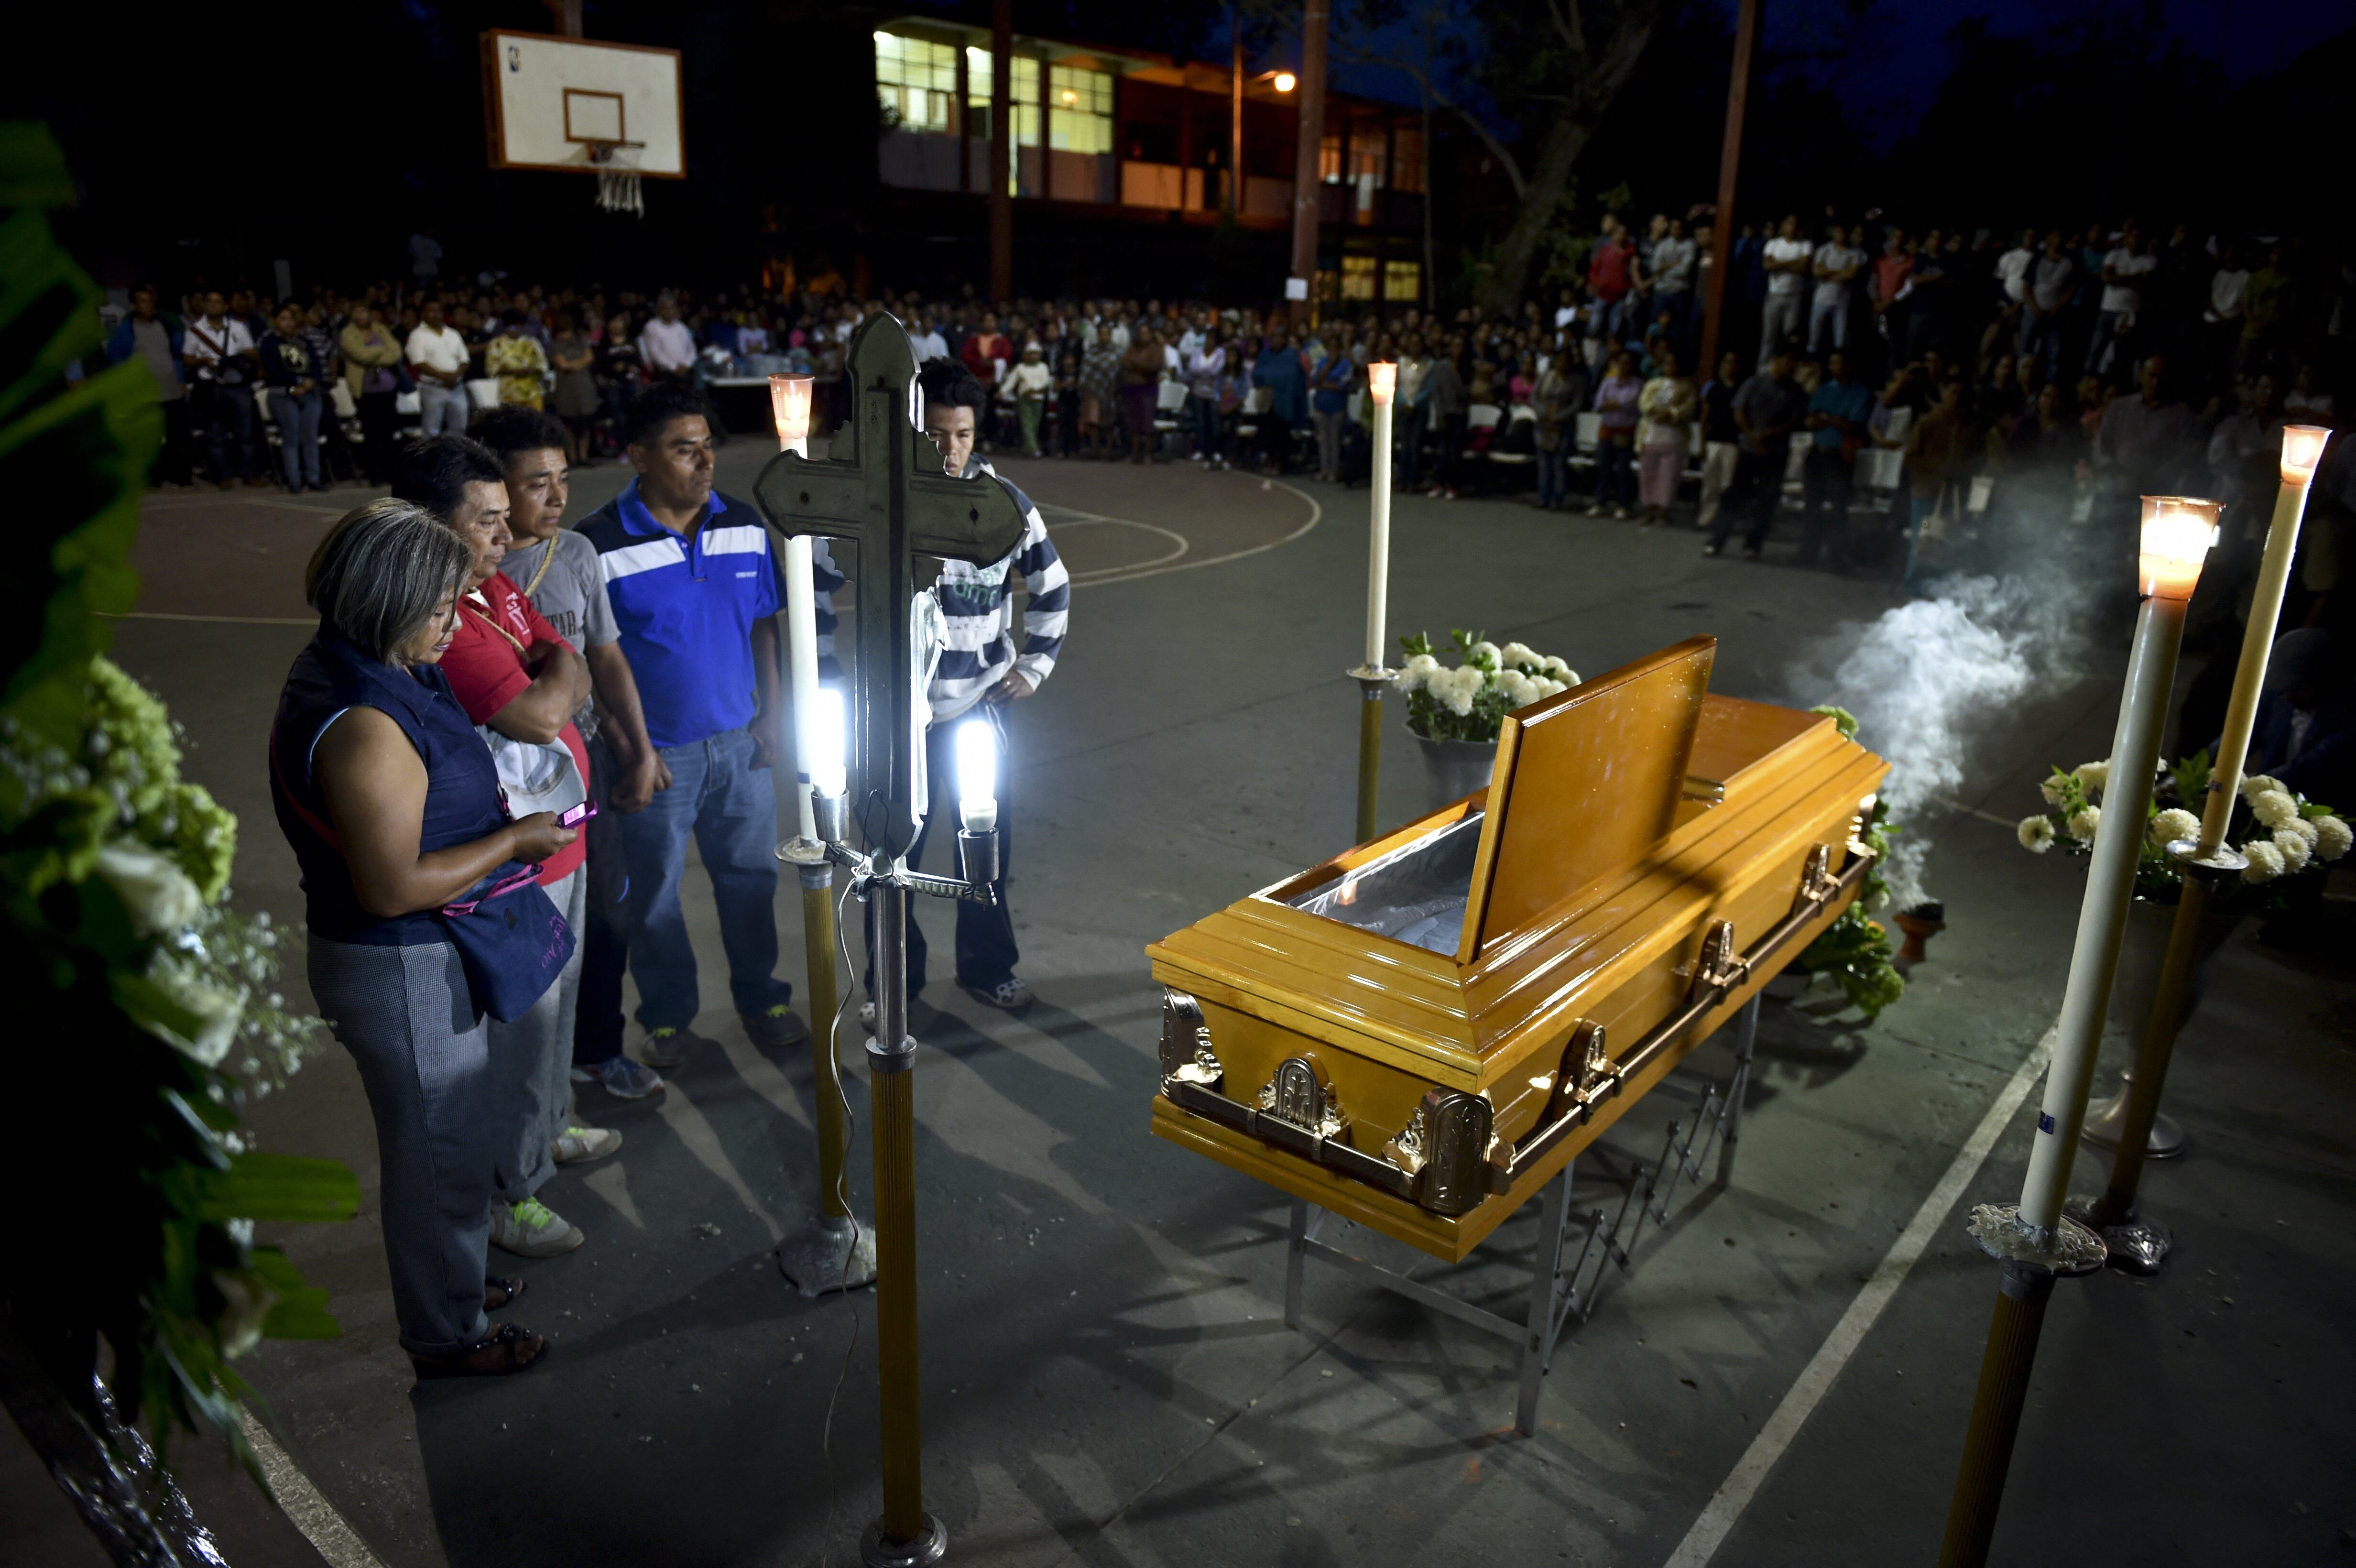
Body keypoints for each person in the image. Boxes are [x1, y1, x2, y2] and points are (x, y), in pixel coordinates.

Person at [270, 498, 570, 1378]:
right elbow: (391, 883)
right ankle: (448, 1335)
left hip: (423, 952)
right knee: (436, 1156)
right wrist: (516, 841)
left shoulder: (381, 662)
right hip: (396, 962)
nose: (455, 621)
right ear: (387, 600)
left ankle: (455, 1281)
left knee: (448, 1142)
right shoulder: (363, 719)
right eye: (442, 607)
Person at [389, 435, 609, 1257]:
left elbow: (568, 658)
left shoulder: (496, 592)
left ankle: (551, 1128)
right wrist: (554, 669)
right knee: (525, 1021)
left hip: (560, 832)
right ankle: (514, 1191)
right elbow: (544, 712)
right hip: (517, 852)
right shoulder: (447, 623)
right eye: (485, 520)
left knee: (560, 1004)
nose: (506, 531)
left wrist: (554, 664)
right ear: (432, 527)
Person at [574, 382, 810, 1068]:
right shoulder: (599, 545)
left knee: (751, 883)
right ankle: (670, 1015)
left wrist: (772, 715)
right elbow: (590, 664)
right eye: (685, 450)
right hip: (659, 760)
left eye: (708, 448)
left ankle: (763, 996)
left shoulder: (742, 524)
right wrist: (633, 751)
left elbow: (765, 625)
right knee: (654, 901)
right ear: (639, 456)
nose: (704, 463)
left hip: (741, 748)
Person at [470, 407, 671, 1108]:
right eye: (537, 484)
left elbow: (604, 658)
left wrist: (638, 748)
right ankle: (517, 1094)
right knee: (520, 931)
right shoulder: (467, 575)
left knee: (607, 916)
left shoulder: (577, 555)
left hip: (581, 767)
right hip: (501, 786)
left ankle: (595, 1054)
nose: (559, 498)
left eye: (563, 479)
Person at [861, 358, 1069, 1018]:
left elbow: (1054, 585)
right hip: (903, 720)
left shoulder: (1003, 503)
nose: (950, 450)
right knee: (892, 859)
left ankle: (987, 966)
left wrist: (1033, 667)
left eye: (962, 435)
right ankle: (894, 982)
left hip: (980, 708)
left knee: (986, 852)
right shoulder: (887, 500)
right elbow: (822, 586)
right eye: (936, 436)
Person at [1710, 342, 1806, 558]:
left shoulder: (1795, 391)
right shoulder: (1755, 383)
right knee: (1734, 496)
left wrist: (1768, 435)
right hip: (1749, 449)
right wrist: (1753, 435)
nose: (1792, 366)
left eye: (1795, 362)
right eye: (1789, 360)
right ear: (1776, 360)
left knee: (1767, 498)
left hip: (1776, 452)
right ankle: (1717, 540)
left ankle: (1753, 544)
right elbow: (1739, 411)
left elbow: (1794, 420)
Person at [105, 284, 190, 486]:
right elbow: (117, 361)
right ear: (134, 305)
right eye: (142, 301)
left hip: (171, 389)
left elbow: (178, 355)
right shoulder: (125, 331)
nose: (148, 305)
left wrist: (180, 380)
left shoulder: (166, 326)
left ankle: (180, 475)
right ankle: (154, 478)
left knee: (177, 436)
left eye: (150, 301)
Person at [1799, 349, 1874, 567]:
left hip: (1839, 456)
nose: (1834, 368)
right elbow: (1810, 421)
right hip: (1817, 452)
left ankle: (1836, 556)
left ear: (1849, 366)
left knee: (1838, 509)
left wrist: (1827, 418)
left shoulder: (1860, 393)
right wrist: (1835, 420)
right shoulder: (1824, 390)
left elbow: (1853, 425)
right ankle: (1808, 553)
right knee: (1812, 505)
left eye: (1839, 363)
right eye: (1831, 363)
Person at [183, 289, 258, 487]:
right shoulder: (195, 330)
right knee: (215, 434)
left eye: (218, 302)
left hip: (238, 385)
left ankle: (249, 474)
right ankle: (223, 477)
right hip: (212, 386)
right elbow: (188, 359)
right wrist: (204, 361)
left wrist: (236, 357)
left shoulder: (238, 327)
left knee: (246, 434)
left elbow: (252, 353)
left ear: (225, 306)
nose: (213, 305)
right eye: (210, 301)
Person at [260, 302, 329, 494]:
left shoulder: (305, 341)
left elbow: (316, 366)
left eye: (291, 319)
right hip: (282, 394)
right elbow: (272, 370)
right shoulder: (269, 342)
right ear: (275, 321)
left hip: (308, 393)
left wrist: (308, 383)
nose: (288, 323)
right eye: (283, 319)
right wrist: (294, 384)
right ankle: (294, 480)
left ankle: (313, 478)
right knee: (291, 435)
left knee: (310, 436)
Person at [339, 304, 405, 485]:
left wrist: (376, 356)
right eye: (357, 312)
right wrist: (379, 351)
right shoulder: (348, 334)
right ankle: (375, 474)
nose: (361, 315)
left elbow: (396, 352)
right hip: (365, 392)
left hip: (387, 390)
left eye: (364, 311)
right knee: (372, 434)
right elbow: (360, 355)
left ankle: (389, 474)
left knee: (388, 433)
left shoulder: (381, 330)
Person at [1636, 347, 1695, 527]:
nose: (1671, 367)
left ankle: (1663, 513)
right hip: (1651, 435)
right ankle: (1648, 511)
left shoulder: (1686, 386)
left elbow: (1689, 408)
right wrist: (1654, 411)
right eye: (1667, 363)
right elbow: (1643, 402)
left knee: (1668, 478)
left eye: (1674, 363)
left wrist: (1671, 414)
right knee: (1648, 475)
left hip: (1673, 438)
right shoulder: (1653, 384)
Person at [1589, 348, 1642, 518]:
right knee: (1603, 467)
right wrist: (1614, 405)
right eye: (1621, 362)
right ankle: (1601, 503)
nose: (1624, 366)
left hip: (1625, 432)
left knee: (1623, 469)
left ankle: (1623, 505)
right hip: (1607, 429)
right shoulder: (1608, 382)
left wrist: (1613, 404)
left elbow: (1631, 403)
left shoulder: (1637, 384)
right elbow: (1598, 404)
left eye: (1628, 363)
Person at [406, 298, 470, 437]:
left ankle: (456, 458)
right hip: (433, 388)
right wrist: (445, 377)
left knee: (460, 428)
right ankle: (431, 459)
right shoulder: (417, 335)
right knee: (431, 430)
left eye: (439, 311)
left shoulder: (453, 334)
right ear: (423, 313)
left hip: (457, 387)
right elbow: (419, 362)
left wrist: (455, 376)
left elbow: (465, 359)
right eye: (431, 311)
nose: (436, 314)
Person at [1696, 350, 1743, 533]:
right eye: (1726, 362)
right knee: (1710, 484)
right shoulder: (1713, 387)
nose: (1729, 367)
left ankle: (1724, 521)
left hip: (1732, 443)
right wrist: (1702, 443)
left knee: (1727, 485)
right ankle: (1706, 519)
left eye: (1733, 363)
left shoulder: (1741, 389)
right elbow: (1705, 416)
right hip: (1713, 441)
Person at [1759, 216, 1812, 365]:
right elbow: (1768, 265)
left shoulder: (1805, 245)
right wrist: (1794, 264)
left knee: (1790, 337)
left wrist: (1780, 264)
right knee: (1769, 336)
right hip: (1774, 295)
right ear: (1783, 226)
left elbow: (1804, 267)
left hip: (1794, 296)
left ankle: (1787, 367)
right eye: (1789, 224)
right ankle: (1763, 368)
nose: (1792, 228)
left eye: (1795, 225)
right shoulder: (1773, 244)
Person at [547, 312, 599, 461]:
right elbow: (563, 365)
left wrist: (573, 365)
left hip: (585, 387)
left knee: (585, 425)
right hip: (566, 389)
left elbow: (589, 358)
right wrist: (579, 363)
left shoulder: (580, 341)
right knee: (569, 425)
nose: (567, 334)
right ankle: (572, 457)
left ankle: (584, 456)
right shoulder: (556, 346)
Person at [1809, 222, 1865, 354]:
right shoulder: (1824, 250)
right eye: (1838, 232)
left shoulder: (1855, 253)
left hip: (1842, 301)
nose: (1841, 236)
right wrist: (1841, 273)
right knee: (1814, 338)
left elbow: (1851, 274)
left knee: (1840, 342)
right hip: (1821, 299)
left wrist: (1828, 274)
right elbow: (1817, 272)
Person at [1309, 338, 1353, 483]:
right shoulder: (1322, 362)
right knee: (1323, 440)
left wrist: (1325, 385)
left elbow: (1342, 386)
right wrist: (1329, 365)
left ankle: (1334, 471)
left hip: (1337, 407)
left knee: (1334, 440)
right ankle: (1324, 470)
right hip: (1321, 406)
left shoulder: (1346, 365)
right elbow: (1316, 380)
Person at [1120, 327, 1164, 463]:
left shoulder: (1156, 349)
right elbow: (1123, 362)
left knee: (1147, 423)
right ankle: (1134, 454)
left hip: (1148, 389)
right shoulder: (1132, 349)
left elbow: (1154, 367)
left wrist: (1136, 363)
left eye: (1146, 333)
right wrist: (1141, 365)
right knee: (1134, 424)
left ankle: (1148, 455)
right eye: (1140, 333)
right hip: (1132, 389)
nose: (1143, 336)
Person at [487, 316, 550, 410]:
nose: (517, 330)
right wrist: (515, 372)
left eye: (520, 327)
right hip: (509, 394)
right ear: (506, 328)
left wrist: (530, 370)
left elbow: (543, 364)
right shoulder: (496, 344)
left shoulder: (532, 342)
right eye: (513, 327)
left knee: (536, 422)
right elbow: (492, 369)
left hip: (533, 392)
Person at [1004, 340, 1053, 457]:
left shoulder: (1043, 367)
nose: (1033, 356)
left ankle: (1028, 448)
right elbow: (1012, 381)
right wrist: (1002, 392)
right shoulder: (1021, 367)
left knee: (1034, 425)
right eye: (1030, 354)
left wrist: (1034, 389)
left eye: (1035, 354)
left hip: (1038, 398)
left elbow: (1045, 382)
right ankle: (1034, 449)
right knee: (1027, 424)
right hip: (1024, 399)